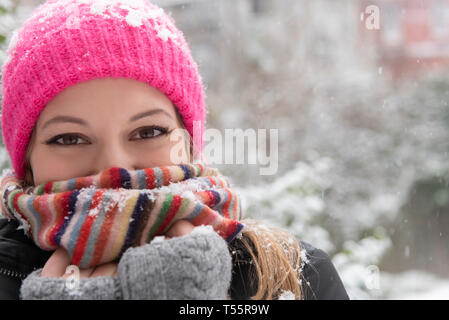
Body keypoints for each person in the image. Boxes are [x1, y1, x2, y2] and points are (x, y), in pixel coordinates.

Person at [0, 0, 349, 300]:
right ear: (27, 162)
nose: (115, 167)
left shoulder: (293, 277)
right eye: (69, 138)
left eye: (148, 131)